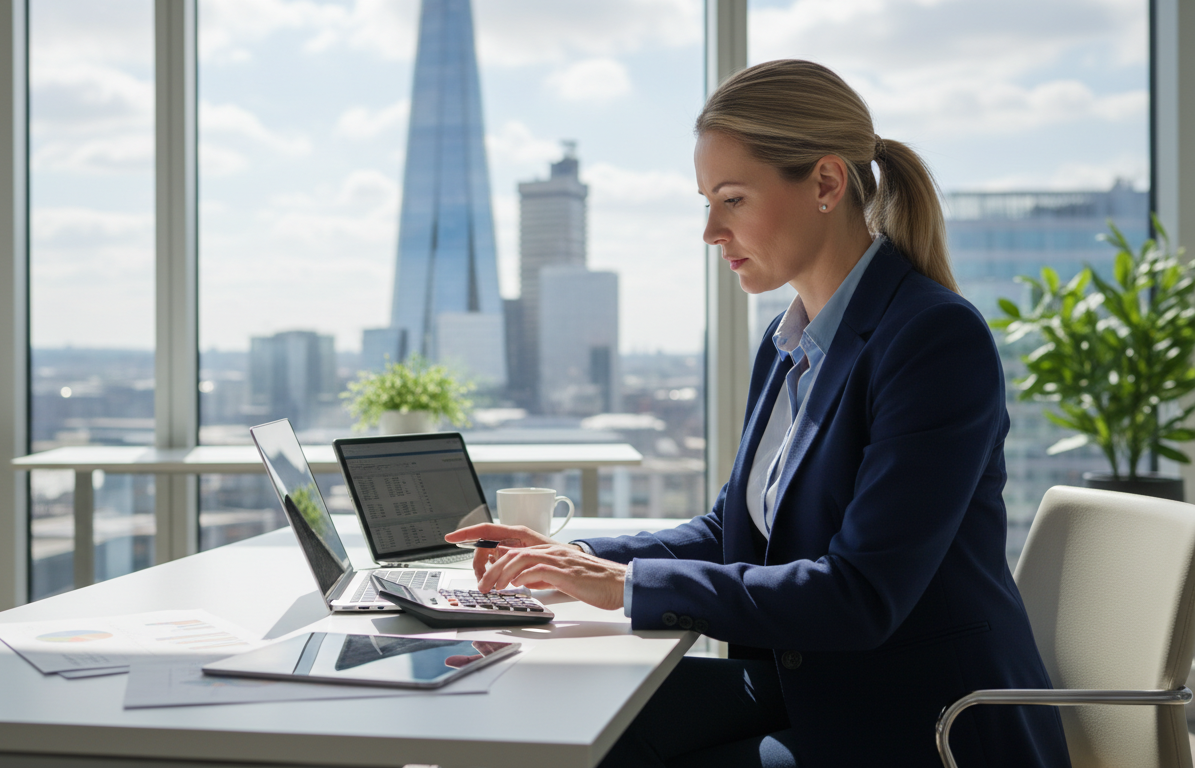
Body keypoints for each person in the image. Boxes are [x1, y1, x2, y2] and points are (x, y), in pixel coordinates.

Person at [446, 59, 1071, 767]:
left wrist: (625, 586)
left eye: (733, 199)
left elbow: (860, 594)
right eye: (707, 200)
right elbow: (733, 531)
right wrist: (573, 559)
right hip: (813, 686)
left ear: (827, 184)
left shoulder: (931, 340)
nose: (711, 230)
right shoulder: (787, 343)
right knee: (541, 717)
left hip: (919, 720)